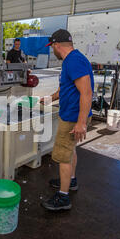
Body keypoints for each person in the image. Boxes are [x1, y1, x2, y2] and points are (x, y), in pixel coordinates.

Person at [40, 29, 94, 211]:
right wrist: (50, 99)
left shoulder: (74, 61)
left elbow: (86, 93)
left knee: (63, 156)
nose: (52, 51)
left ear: (56, 45)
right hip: (72, 115)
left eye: (52, 47)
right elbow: (66, 89)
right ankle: (71, 181)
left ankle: (63, 198)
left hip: (72, 118)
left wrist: (81, 123)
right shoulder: (72, 60)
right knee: (71, 151)